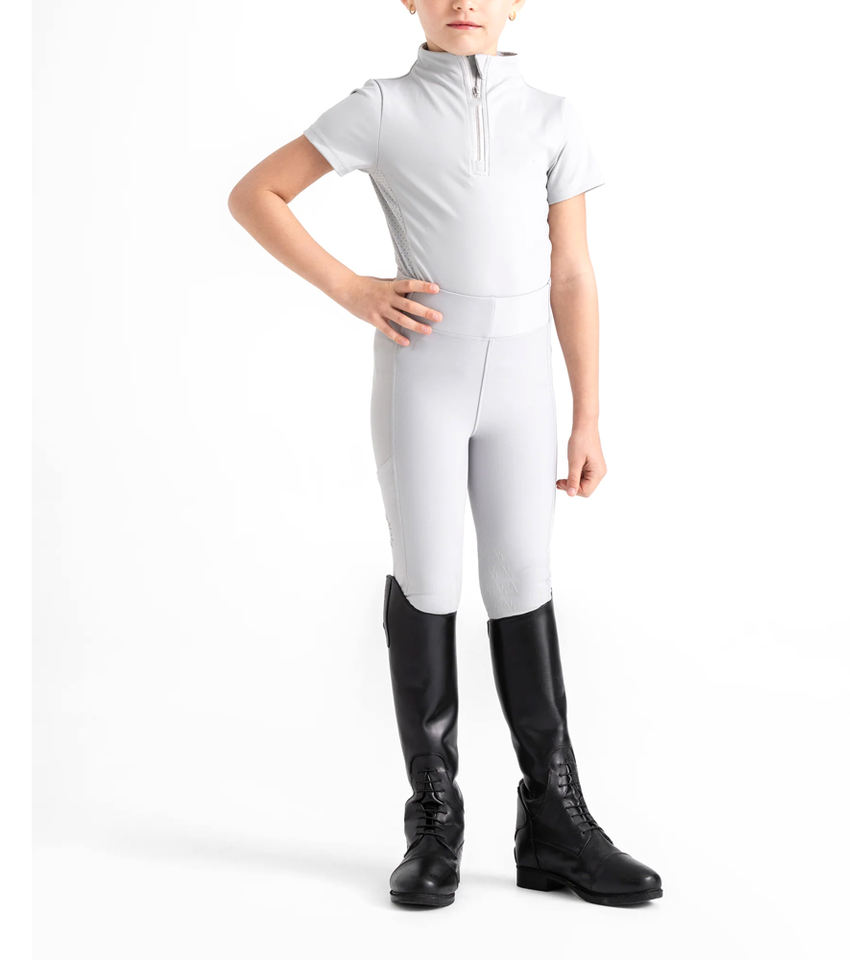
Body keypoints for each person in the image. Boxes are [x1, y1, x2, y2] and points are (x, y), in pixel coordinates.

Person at [228, 0, 662, 909]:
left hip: (524, 386)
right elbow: (255, 194)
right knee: (428, 578)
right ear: (410, 2)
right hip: (424, 372)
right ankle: (433, 819)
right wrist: (353, 288)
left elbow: (572, 271)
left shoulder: (553, 117)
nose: (465, 2)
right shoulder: (382, 106)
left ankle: (556, 821)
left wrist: (588, 416)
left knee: (522, 580)